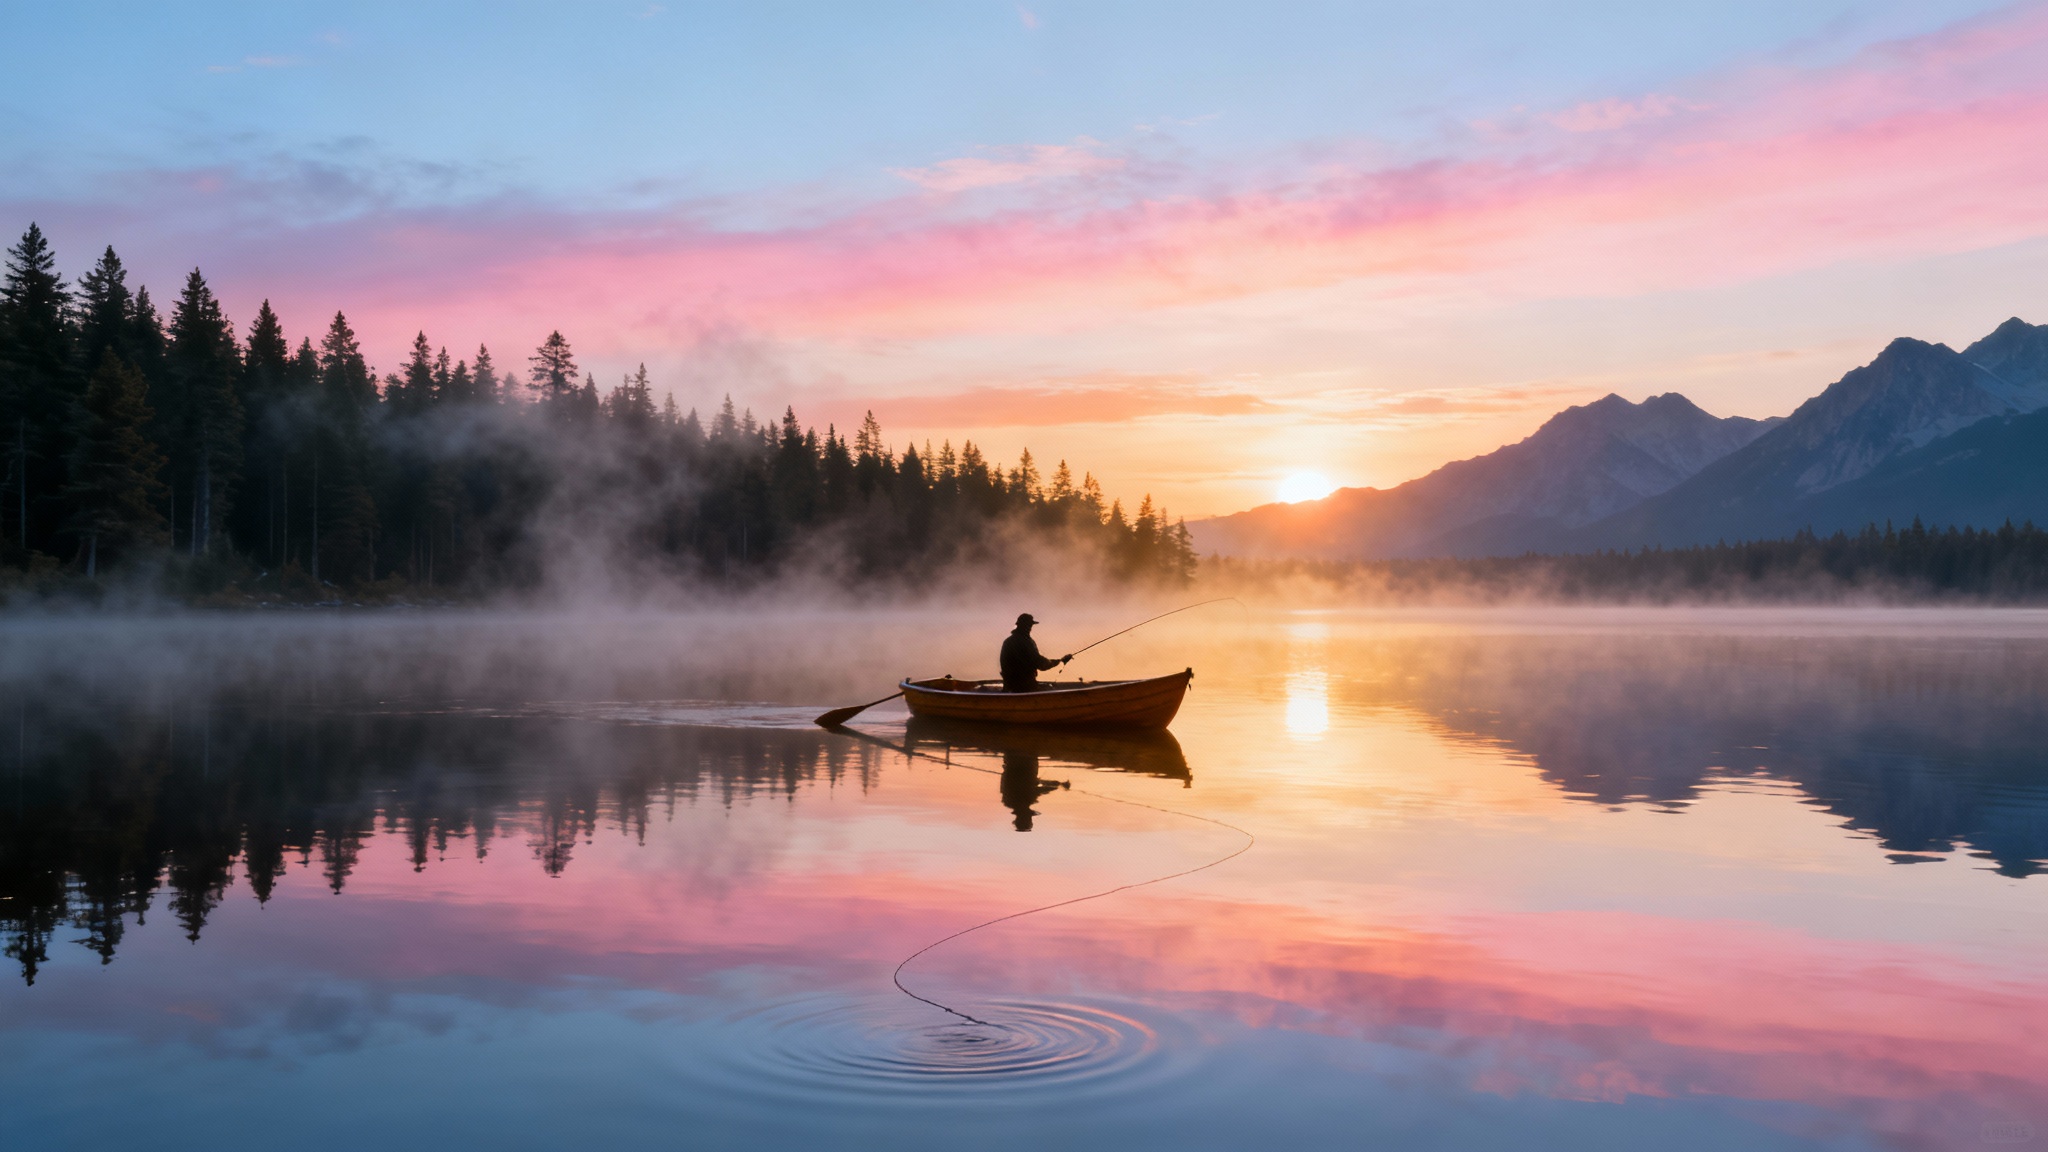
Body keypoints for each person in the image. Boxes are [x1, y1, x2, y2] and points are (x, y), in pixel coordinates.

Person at [1000, 613, 1071, 692]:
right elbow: (1040, 663)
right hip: (1024, 688)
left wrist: (1058, 661)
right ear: (1024, 626)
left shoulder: (1008, 641)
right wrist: (1060, 661)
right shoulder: (1025, 642)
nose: (1030, 628)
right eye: (1029, 625)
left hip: (1009, 687)